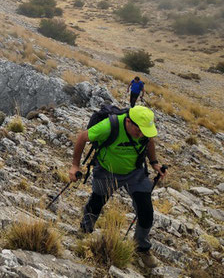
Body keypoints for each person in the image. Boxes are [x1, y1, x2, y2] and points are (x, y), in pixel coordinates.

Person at [69, 106, 166, 268]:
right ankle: (85, 230)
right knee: (97, 202)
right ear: (128, 122)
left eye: (145, 131)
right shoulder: (109, 126)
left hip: (135, 173)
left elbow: (149, 141)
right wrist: (74, 166)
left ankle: (141, 248)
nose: (142, 134)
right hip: (107, 171)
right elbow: (82, 137)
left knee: (146, 211)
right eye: (139, 130)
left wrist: (154, 163)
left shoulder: (144, 133)